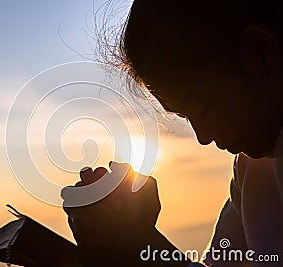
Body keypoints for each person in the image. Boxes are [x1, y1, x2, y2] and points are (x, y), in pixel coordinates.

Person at [62, 0, 283, 266]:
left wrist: (139, 245)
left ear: (261, 52)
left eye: (205, 106)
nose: (203, 136)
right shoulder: (253, 170)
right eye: (185, 116)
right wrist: (127, 243)